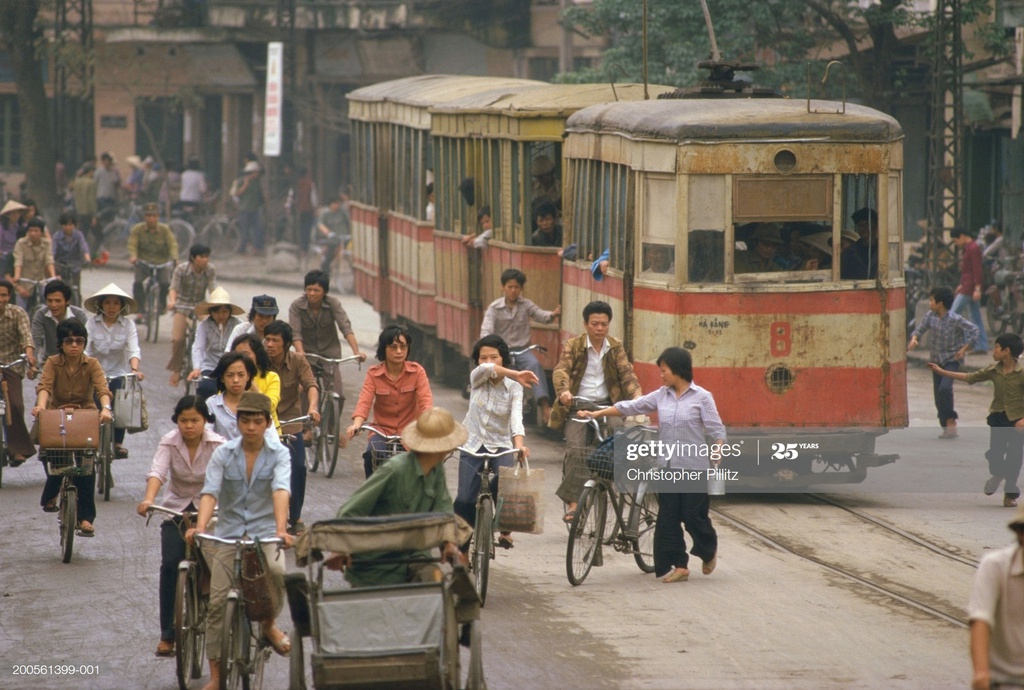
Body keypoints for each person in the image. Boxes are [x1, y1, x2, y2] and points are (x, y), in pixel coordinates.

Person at [579, 347, 724, 582]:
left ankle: (708, 550)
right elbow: (631, 407)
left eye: (664, 370)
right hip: (667, 465)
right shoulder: (661, 395)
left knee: (693, 517)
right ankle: (680, 565)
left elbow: (717, 429)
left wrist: (717, 447)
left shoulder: (702, 397)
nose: (661, 375)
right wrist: (597, 413)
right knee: (668, 518)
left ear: (678, 370)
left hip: (694, 466)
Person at [185, 392, 293, 690]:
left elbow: (281, 490)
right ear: (238, 422)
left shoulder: (279, 453)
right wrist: (201, 526)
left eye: (257, 421)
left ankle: (269, 626)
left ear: (267, 423)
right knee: (218, 604)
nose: (250, 427)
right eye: (245, 421)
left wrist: (282, 529)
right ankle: (217, 675)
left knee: (279, 573)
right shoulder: (224, 453)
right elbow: (210, 492)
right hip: (228, 534)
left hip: (265, 533)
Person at [326, 408, 468, 587]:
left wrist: (449, 543)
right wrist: (339, 547)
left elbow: (444, 510)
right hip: (376, 562)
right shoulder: (394, 469)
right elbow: (352, 508)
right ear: (439, 448)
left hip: (415, 559)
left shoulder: (436, 470)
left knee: (436, 587)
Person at [136, 396, 225, 657]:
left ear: (205, 421)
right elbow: (158, 472)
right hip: (175, 509)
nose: (189, 426)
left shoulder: (219, 445)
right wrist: (149, 499)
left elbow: (224, 479)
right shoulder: (169, 441)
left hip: (212, 511)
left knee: (217, 565)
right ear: (177, 421)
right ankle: (167, 635)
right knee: (170, 564)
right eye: (184, 420)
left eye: (195, 420)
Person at [549, 300, 642, 519]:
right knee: (575, 448)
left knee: (620, 439)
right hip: (578, 406)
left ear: (609, 325)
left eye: (604, 324)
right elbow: (561, 370)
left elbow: (626, 374)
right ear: (585, 324)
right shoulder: (574, 345)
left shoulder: (615, 346)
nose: (599, 328)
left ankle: (616, 486)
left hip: (608, 406)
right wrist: (564, 393)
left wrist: (637, 396)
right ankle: (573, 502)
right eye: (594, 324)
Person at [455, 336, 537, 549]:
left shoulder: (514, 388)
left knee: (507, 482)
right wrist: (516, 373)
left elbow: (516, 419)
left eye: (494, 356)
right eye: (482, 357)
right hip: (471, 443)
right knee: (464, 500)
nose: (488, 361)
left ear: (504, 358)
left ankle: (503, 525)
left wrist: (519, 445)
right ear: (477, 361)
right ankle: (462, 552)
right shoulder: (477, 378)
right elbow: (488, 369)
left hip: (500, 444)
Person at [33, 319, 113, 536]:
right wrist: (40, 407)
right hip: (56, 416)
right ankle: (51, 494)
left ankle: (86, 518)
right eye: (69, 341)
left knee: (86, 467)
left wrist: (106, 409)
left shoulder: (92, 364)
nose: (75, 345)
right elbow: (45, 386)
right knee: (54, 459)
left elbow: (102, 389)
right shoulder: (52, 363)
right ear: (61, 343)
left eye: (79, 341)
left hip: (84, 417)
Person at [928, 332, 1024, 508]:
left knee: (1015, 458)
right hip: (998, 419)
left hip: (1017, 422)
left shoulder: (1022, 373)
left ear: (1006, 351)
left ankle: (1010, 494)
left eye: (996, 347)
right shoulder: (993, 370)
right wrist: (942, 372)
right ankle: (997, 474)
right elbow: (970, 377)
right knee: (995, 454)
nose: (993, 350)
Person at [347, 325, 434, 478]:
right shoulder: (374, 374)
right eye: (393, 347)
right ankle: (372, 495)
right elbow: (364, 402)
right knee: (371, 456)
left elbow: (425, 401)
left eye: (403, 346)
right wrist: (357, 424)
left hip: (411, 432)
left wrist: (428, 424)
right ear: (384, 349)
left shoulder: (417, 371)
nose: (399, 351)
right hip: (381, 431)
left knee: (424, 469)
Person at [480, 268, 560, 424]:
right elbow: (486, 330)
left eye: (517, 287)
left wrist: (553, 314)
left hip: (522, 350)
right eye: (509, 287)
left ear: (521, 289)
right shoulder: (494, 308)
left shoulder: (526, 305)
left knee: (535, 365)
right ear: (503, 287)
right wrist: (489, 346)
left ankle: (544, 406)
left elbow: (540, 315)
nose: (513, 290)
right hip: (502, 352)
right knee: (492, 372)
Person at [263, 320, 320, 533]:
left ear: (286, 344)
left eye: (275, 340)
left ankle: (295, 517)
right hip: (264, 420)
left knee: (297, 467)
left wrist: (313, 408)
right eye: (267, 339)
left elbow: (311, 386)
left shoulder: (297, 360)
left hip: (291, 421)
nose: (269, 344)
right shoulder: (258, 361)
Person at [908, 286, 980, 439]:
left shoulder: (955, 319)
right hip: (936, 361)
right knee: (938, 395)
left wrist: (964, 348)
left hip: (951, 360)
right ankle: (946, 425)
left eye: (932, 300)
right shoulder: (930, 316)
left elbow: (974, 330)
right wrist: (914, 339)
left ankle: (951, 421)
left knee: (945, 389)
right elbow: (919, 330)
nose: (929, 303)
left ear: (940, 303)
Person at [967, 504, 1024, 690]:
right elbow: (981, 619)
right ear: (1019, 533)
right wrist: (981, 673)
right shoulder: (995, 567)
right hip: (1006, 681)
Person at [83, 283, 143, 459]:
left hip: (118, 373)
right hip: (95, 373)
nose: (111, 307)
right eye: (107, 303)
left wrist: (134, 370)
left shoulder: (128, 325)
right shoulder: (91, 323)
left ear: (122, 306)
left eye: (116, 303)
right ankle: (91, 439)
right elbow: (85, 349)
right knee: (92, 403)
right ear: (100, 305)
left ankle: (118, 443)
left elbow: (133, 349)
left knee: (122, 399)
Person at [288, 269, 365, 402]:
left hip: (330, 356)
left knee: (338, 395)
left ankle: (332, 421)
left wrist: (356, 351)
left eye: (316, 290)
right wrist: (300, 352)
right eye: (309, 289)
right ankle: (307, 422)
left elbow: (345, 327)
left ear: (324, 291)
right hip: (308, 355)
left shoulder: (333, 304)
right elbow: (295, 333)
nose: (312, 293)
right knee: (304, 394)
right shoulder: (296, 306)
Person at [166, 244, 217, 386]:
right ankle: (176, 369)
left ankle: (207, 365)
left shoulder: (210, 270)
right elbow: (173, 288)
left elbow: (213, 287)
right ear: (193, 258)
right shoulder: (182, 269)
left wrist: (216, 301)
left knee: (211, 332)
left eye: (207, 257)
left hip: (201, 305)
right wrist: (172, 301)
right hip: (182, 305)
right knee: (177, 339)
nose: (205, 260)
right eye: (201, 257)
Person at [0, 278, 38, 465]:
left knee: (14, 404)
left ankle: (17, 448)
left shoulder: (18, 313)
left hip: (11, 365)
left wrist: (29, 357)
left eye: (4, 295)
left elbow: (26, 338)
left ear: (9, 297)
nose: (0, 299)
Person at [189, 288, 244, 400]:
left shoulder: (238, 325)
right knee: (205, 389)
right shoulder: (204, 325)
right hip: (210, 366)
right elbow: (198, 347)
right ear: (211, 312)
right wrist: (196, 368)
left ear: (230, 312)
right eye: (217, 312)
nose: (221, 315)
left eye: (224, 311)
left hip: (232, 366)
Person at [128, 202, 178, 322]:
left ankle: (161, 304)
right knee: (138, 283)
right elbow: (132, 244)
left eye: (154, 216)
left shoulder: (165, 230)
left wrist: (174, 258)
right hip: (143, 262)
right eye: (149, 216)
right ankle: (139, 311)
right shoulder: (138, 229)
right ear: (145, 217)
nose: (151, 219)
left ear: (158, 217)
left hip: (161, 262)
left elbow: (172, 244)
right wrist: (134, 256)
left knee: (166, 283)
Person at [230, 333, 282, 432]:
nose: (241, 359)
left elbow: (270, 407)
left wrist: (250, 382)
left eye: (246, 354)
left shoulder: (272, 377)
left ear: (257, 355)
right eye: (237, 355)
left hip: (269, 435)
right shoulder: (230, 378)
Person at [950, 226, 989, 353]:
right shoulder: (969, 248)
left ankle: (964, 342)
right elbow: (968, 270)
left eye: (955, 240)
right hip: (967, 286)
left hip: (969, 288)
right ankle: (981, 345)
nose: (956, 243)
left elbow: (977, 269)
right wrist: (962, 284)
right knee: (975, 316)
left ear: (961, 236)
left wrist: (977, 288)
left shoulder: (973, 248)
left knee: (953, 314)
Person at [31, 280, 88, 363]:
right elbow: (35, 340)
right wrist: (32, 362)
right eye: (50, 300)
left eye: (58, 301)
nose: (53, 305)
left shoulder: (79, 315)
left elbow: (87, 341)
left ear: (67, 301)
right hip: (50, 361)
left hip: (75, 362)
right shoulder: (41, 314)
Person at [206, 352, 258, 440]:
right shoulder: (211, 404)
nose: (236, 380)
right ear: (222, 378)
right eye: (230, 375)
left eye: (241, 375)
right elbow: (206, 435)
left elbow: (272, 439)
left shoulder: (258, 403)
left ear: (248, 376)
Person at [12, 218, 55, 312]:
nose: (33, 233)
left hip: (41, 281)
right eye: (30, 230)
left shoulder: (47, 243)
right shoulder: (21, 243)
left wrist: (53, 276)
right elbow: (18, 261)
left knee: (52, 302)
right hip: (25, 281)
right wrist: (17, 276)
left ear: (41, 232)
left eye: (36, 231)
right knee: (21, 310)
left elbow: (49, 261)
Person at [52, 212, 91, 300]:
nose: (68, 227)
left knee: (76, 288)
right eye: (65, 225)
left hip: (75, 265)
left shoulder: (78, 235)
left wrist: (87, 259)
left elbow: (84, 247)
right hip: (60, 265)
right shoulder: (57, 236)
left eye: (70, 225)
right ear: (61, 225)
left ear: (74, 225)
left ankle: (78, 304)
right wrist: (51, 262)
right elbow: (52, 251)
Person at [313, 194, 351, 274]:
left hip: (344, 237)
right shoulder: (325, 213)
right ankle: (326, 268)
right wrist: (327, 232)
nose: (337, 205)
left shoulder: (342, 211)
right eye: (335, 203)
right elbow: (320, 224)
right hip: (333, 238)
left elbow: (349, 222)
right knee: (330, 253)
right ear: (331, 204)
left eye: (338, 203)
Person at [235, 161, 265, 256]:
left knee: (258, 230)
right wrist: (245, 184)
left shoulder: (256, 182)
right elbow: (237, 194)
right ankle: (242, 250)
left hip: (255, 209)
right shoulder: (242, 181)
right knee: (245, 231)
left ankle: (257, 248)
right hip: (244, 209)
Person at [840, 207, 879, 280]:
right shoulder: (848, 253)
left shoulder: (885, 251)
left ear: (876, 226)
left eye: (867, 224)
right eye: (860, 225)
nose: (864, 228)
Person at [72, 162, 98, 250]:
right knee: (98, 235)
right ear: (90, 172)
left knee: (82, 233)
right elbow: (91, 200)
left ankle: (79, 251)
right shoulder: (91, 182)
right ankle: (91, 253)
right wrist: (94, 216)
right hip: (88, 213)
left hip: (79, 211)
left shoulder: (77, 181)